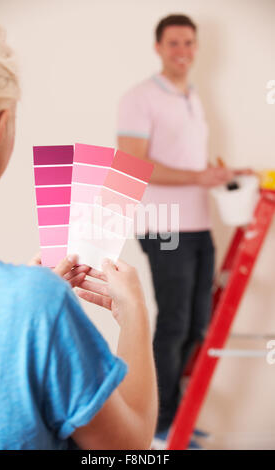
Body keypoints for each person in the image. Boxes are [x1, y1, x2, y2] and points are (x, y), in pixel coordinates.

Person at [0, 13, 158, 450]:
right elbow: (128, 451)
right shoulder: (35, 304)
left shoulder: (30, 304)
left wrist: (21, 313)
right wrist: (134, 316)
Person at [117, 14, 250, 441]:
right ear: (158, 47)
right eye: (174, 43)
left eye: (189, 43)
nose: (183, 51)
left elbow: (190, 162)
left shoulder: (192, 96)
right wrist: (197, 178)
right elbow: (134, 165)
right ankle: (155, 427)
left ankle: (174, 416)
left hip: (198, 221)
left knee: (196, 323)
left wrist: (222, 173)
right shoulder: (140, 97)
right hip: (164, 223)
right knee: (173, 323)